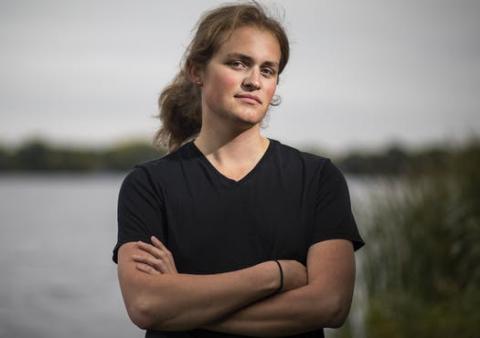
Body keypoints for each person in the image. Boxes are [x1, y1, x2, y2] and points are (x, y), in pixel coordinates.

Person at [112, 2, 365, 338]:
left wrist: (181, 306)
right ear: (197, 71)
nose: (253, 81)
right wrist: (275, 275)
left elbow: (329, 304)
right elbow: (145, 304)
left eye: (267, 70)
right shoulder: (148, 185)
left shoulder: (317, 179)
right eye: (238, 63)